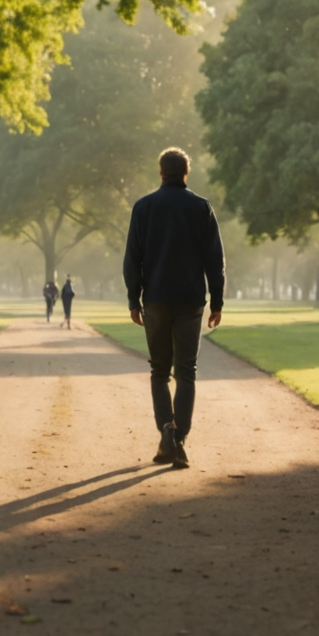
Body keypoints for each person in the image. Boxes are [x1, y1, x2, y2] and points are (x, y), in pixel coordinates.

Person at [123, 146, 225, 470]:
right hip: (191, 300)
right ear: (186, 173)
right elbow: (215, 260)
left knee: (159, 370)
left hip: (155, 299)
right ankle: (180, 438)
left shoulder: (144, 207)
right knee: (186, 372)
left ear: (160, 172)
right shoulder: (201, 208)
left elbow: (132, 259)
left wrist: (133, 298)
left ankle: (166, 430)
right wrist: (217, 300)